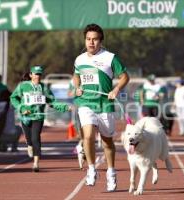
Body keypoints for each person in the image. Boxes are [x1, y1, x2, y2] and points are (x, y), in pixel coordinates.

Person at [73, 24, 129, 191]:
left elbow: (125, 76)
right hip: (85, 102)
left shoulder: (110, 57)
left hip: (105, 104)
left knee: (107, 142)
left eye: (95, 39)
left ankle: (111, 172)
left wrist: (116, 89)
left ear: (101, 41)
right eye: (88, 39)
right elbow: (76, 76)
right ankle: (91, 169)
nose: (91, 42)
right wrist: (77, 86)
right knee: (88, 136)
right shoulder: (79, 59)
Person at [10, 65, 70, 172]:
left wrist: (65, 107)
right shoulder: (23, 86)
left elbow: (52, 101)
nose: (37, 76)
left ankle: (36, 163)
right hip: (26, 117)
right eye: (35, 74)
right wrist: (21, 108)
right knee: (29, 139)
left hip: (38, 116)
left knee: (36, 138)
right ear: (31, 75)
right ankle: (29, 145)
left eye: (39, 74)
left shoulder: (44, 88)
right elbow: (13, 98)